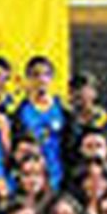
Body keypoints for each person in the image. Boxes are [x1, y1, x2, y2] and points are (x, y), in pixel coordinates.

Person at [13, 56, 69, 188]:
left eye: (46, 74)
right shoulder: (18, 113)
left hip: (58, 175)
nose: (41, 79)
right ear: (28, 79)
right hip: (29, 176)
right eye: (35, 75)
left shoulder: (64, 112)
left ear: (51, 79)